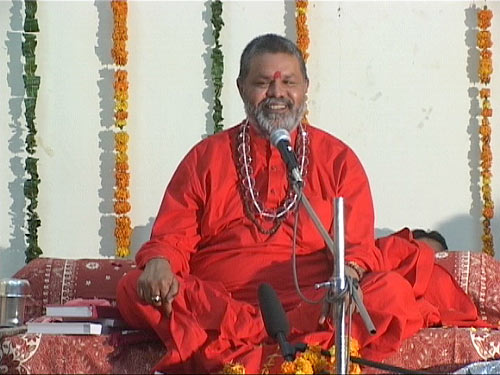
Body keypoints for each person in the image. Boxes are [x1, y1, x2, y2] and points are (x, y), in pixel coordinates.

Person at [116, 34, 487, 374]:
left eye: (288, 82)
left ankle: (291, 348)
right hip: (223, 304)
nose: (277, 93)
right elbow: (171, 237)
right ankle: (291, 351)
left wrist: (347, 280)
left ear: (305, 89)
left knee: (389, 292)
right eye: (263, 82)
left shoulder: (337, 159)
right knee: (135, 287)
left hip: (312, 304)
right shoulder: (205, 158)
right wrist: (160, 265)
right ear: (242, 88)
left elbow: (356, 248)